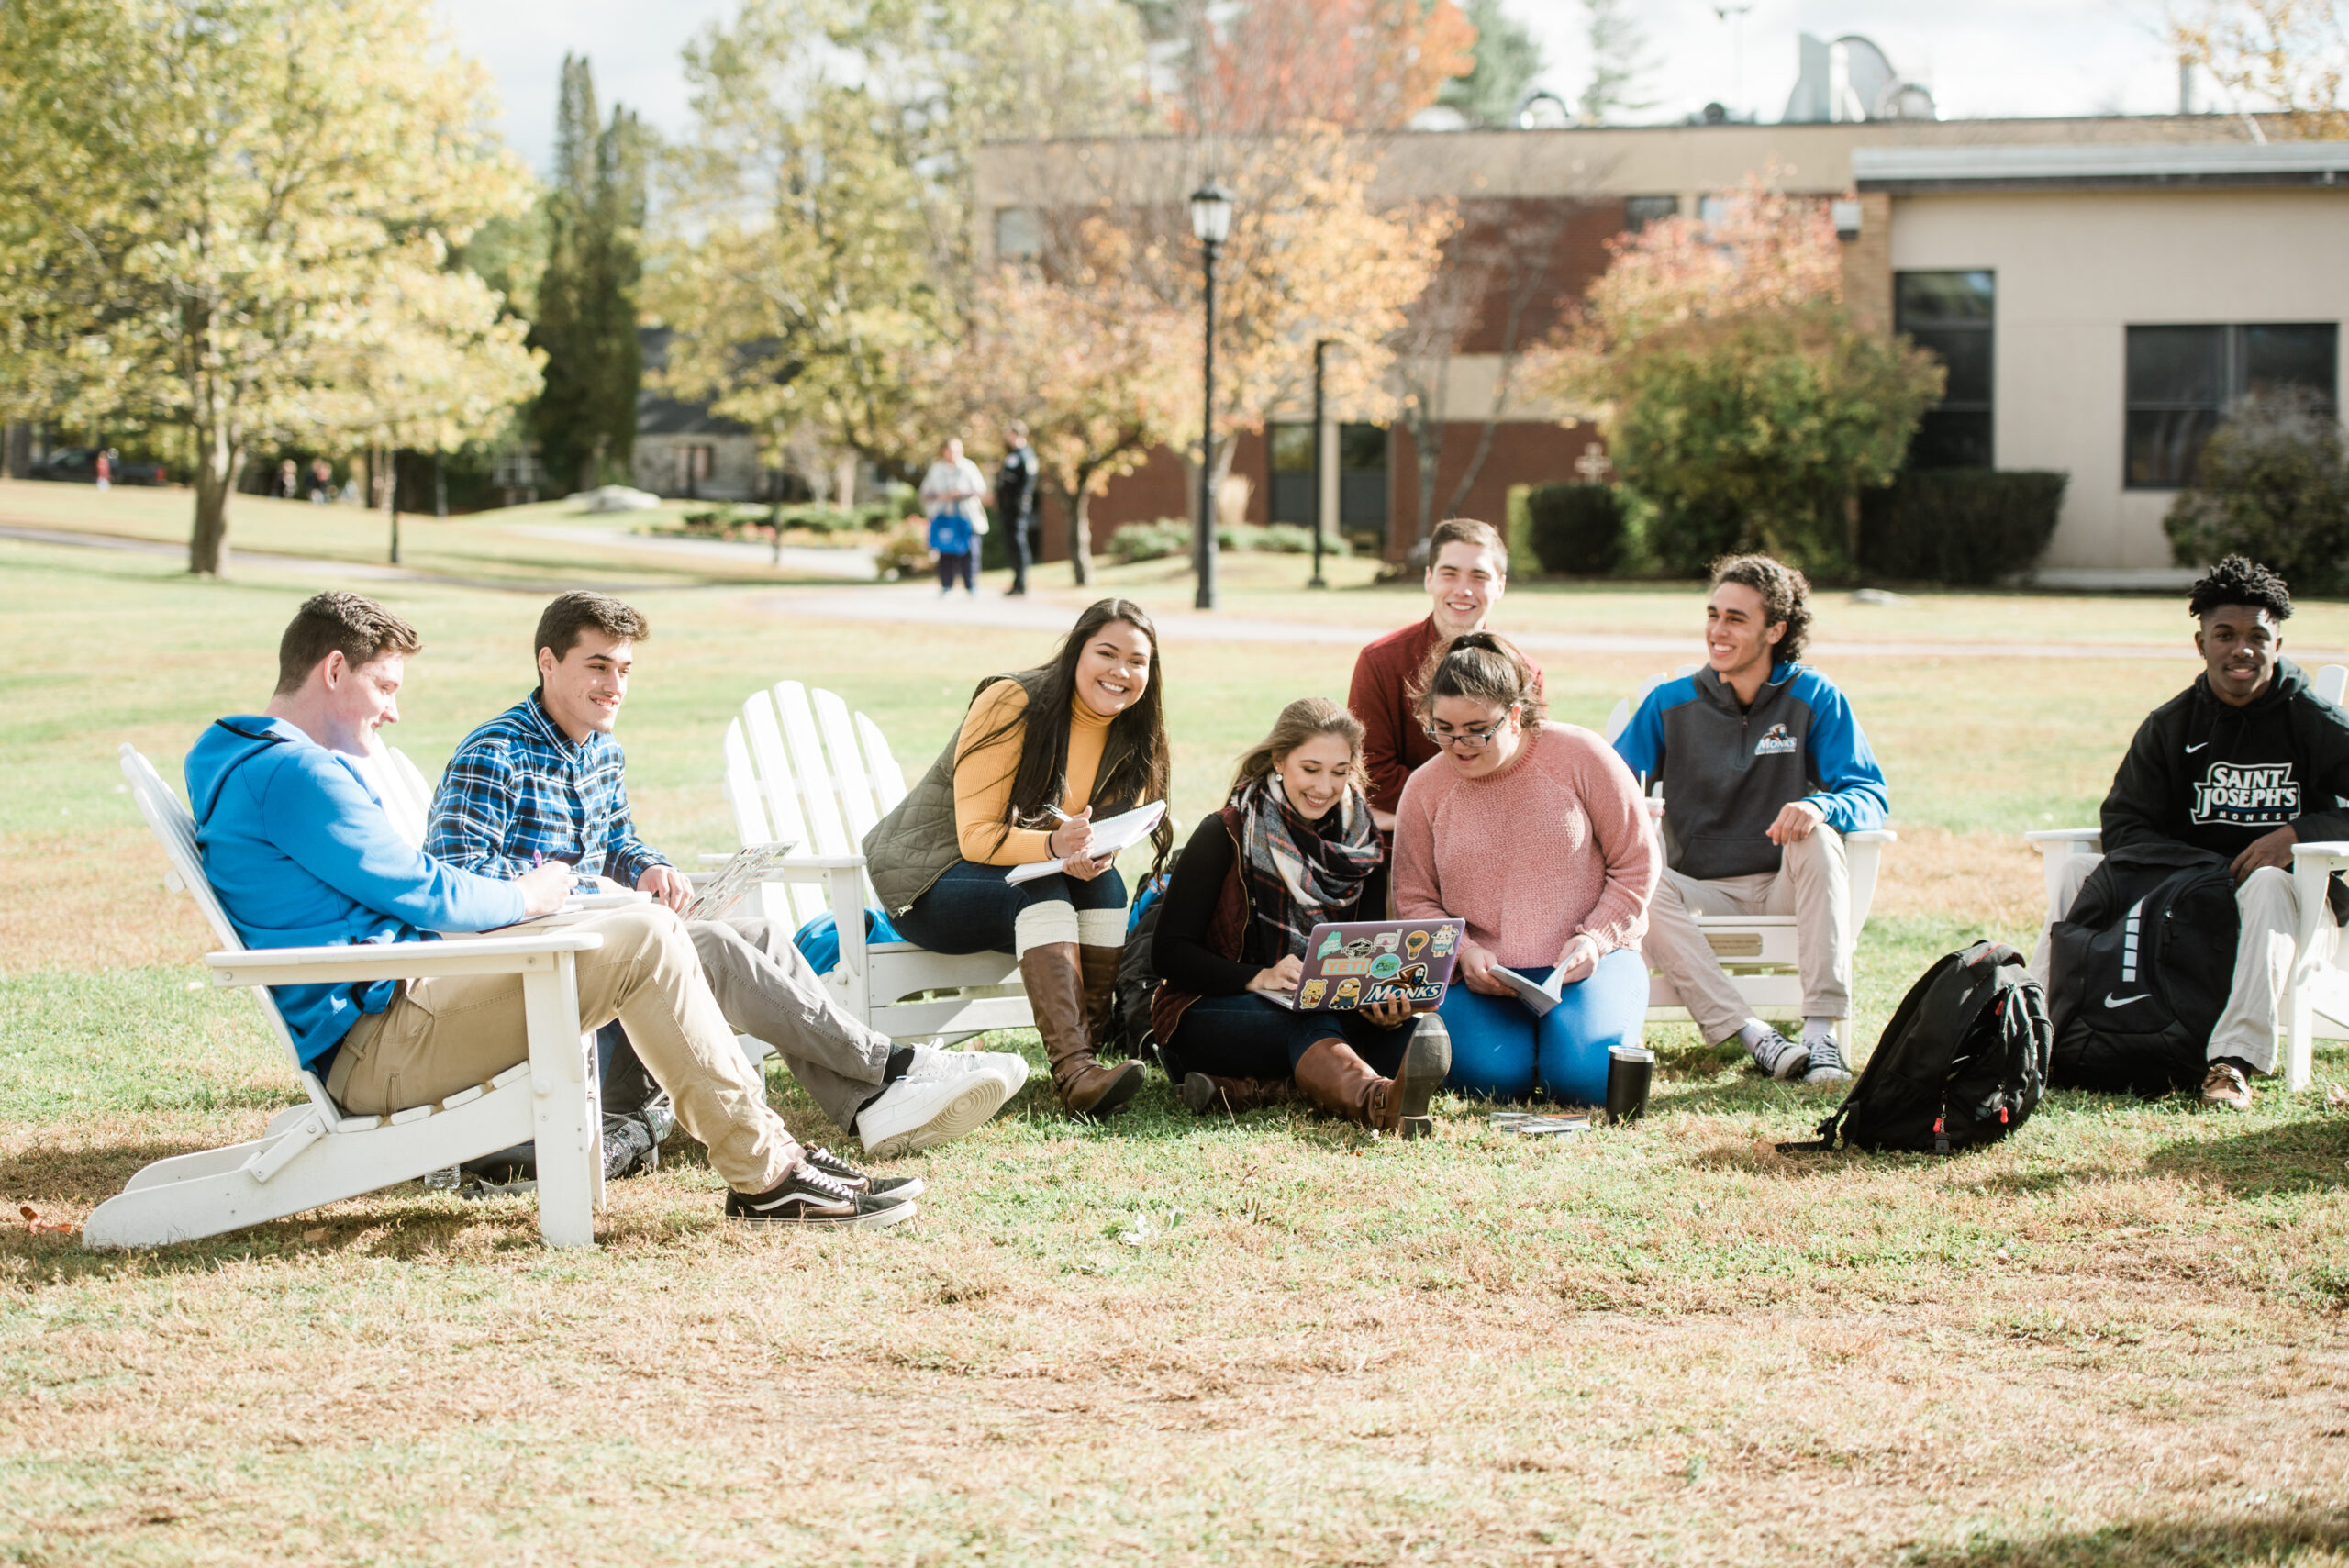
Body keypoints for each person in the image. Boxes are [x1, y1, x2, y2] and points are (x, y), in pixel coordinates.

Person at [187, 592, 916, 1227]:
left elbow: (404, 892)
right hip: (379, 1042)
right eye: (384, 686)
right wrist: (531, 894)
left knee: (659, 931)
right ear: (335, 670)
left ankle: (771, 1155)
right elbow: (426, 890)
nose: (395, 710)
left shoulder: (247, 758)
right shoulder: (297, 774)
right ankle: (768, 1173)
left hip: (396, 1005)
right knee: (648, 938)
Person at [425, 591, 1026, 1160]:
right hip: (535, 978)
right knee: (706, 946)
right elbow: (457, 882)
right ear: (548, 663)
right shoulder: (493, 754)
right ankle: (895, 1066)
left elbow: (616, 844)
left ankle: (869, 1105)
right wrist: (587, 890)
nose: (614, 686)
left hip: (601, 954)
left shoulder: (601, 751)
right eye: (598, 666)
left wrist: (647, 866)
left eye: (625, 670)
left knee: (759, 934)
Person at [2056, 557, 2349, 1110]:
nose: (2242, 649)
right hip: (2183, 910)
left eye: (2257, 636)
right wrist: (2201, 875)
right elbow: (2124, 824)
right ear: (2201, 644)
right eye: (2226, 635)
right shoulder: (2172, 725)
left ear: (2278, 643)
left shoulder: (2314, 720)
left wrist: (2298, 833)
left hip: (2297, 906)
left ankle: (2231, 1064)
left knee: (2264, 881)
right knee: (2077, 869)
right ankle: (2059, 1035)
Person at [866, 598, 1174, 1118]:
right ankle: (1074, 1073)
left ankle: (1090, 1059)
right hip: (930, 885)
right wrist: (1057, 848)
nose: (1121, 671)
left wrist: (1091, 856)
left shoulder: (1134, 731)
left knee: (1108, 887)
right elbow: (977, 839)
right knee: (1042, 888)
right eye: (1107, 653)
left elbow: (1104, 832)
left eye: (1137, 661)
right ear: (1077, 651)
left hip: (1026, 884)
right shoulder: (1011, 701)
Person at [1611, 555, 1889, 1084]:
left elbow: (1870, 794)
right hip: (1697, 888)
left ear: (1775, 629)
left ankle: (1821, 1035)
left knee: (1820, 838)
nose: (1717, 631)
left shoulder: (1815, 697)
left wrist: (1820, 805)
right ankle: (1754, 1036)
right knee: (1638, 881)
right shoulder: (1669, 704)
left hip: (1784, 883)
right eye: (1713, 614)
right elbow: (1611, 791)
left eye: (1736, 619)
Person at [1151, 699, 1451, 1129]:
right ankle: (1378, 1104)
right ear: (1279, 760)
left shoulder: (1361, 847)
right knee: (1309, 1019)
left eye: (1339, 771)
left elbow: (1363, 955)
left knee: (1405, 1039)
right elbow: (1168, 954)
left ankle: (1251, 1089)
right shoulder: (1225, 832)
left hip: (1322, 1009)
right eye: (1310, 769)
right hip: (1206, 1012)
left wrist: (1383, 1003)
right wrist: (1257, 976)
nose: (1324, 787)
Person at [1395, 632, 1657, 1106]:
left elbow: (1636, 863)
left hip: (1589, 962)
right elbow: (1414, 899)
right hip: (1481, 976)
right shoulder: (1424, 788)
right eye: (1443, 728)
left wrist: (1596, 938)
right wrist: (1463, 953)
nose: (1459, 744)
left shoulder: (1583, 755)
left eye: (1477, 729)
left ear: (1515, 714)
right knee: (1486, 1081)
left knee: (1586, 1082)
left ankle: (1580, 1036)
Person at [1348, 517, 1547, 836]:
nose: (1463, 589)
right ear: (1429, 579)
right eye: (1449, 573)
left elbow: (1528, 771)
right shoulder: (1380, 661)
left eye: (1479, 576)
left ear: (1500, 586)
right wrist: (1465, 808)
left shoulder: (1524, 671)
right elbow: (1372, 772)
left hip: (1497, 840)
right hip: (1404, 843)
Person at [919, 438, 989, 596]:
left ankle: (971, 586)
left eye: (959, 450)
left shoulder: (968, 467)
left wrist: (959, 494)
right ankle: (946, 585)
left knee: (970, 551)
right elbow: (925, 493)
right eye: (951, 450)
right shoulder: (936, 470)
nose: (955, 454)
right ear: (944, 451)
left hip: (967, 518)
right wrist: (939, 496)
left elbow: (980, 489)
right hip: (944, 517)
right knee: (945, 552)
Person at [995, 422, 1041, 597]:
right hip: (1012, 506)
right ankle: (1017, 581)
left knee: (1017, 542)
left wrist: (1018, 501)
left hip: (1016, 507)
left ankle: (1020, 583)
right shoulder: (1018, 455)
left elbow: (1020, 482)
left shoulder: (1021, 456)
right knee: (1013, 543)